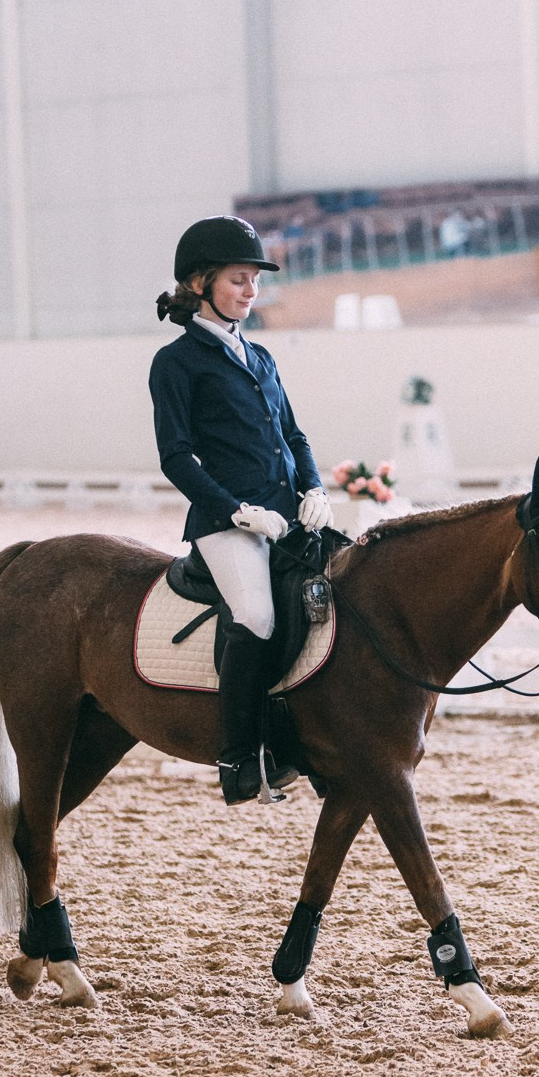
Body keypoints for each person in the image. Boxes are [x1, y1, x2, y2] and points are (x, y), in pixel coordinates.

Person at [150, 216, 334, 806]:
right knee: (255, 615)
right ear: (200, 283)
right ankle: (238, 756)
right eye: (239, 279)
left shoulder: (261, 357)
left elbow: (295, 436)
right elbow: (177, 458)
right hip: (226, 523)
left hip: (289, 513)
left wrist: (314, 488)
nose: (251, 290)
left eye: (254, 280)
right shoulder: (176, 363)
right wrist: (234, 513)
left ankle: (299, 743)